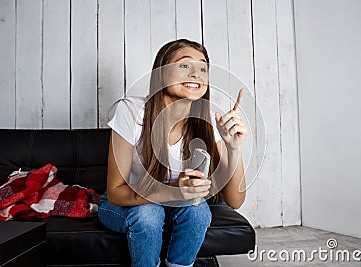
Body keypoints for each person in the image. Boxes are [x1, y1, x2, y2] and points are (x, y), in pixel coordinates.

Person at [98, 39, 248, 267]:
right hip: (126, 204)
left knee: (198, 213)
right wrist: (176, 191)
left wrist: (233, 147)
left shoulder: (207, 120)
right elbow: (116, 193)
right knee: (148, 214)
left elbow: (235, 202)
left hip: (172, 206)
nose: (196, 73)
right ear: (161, 73)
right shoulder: (131, 111)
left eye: (203, 67)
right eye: (185, 65)